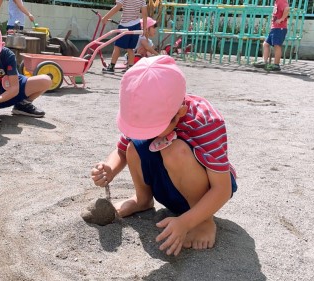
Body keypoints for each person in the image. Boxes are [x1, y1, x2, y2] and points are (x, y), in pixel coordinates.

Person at [91, 55, 238, 256]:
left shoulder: (206, 121)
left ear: (180, 111)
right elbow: (123, 149)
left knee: (175, 150)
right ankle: (142, 200)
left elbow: (222, 188)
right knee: (135, 147)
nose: (147, 134)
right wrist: (109, 168)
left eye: (153, 128)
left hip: (206, 192)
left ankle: (203, 219)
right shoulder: (142, 109)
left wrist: (186, 222)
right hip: (168, 184)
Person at [101, 0, 148, 73]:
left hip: (125, 25)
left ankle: (111, 67)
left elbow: (117, 7)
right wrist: (144, 28)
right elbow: (144, 14)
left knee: (117, 46)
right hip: (136, 25)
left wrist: (105, 17)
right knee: (130, 48)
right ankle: (130, 68)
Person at [253, 0, 290, 71]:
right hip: (275, 28)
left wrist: (281, 19)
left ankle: (276, 65)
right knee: (266, 44)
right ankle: (264, 61)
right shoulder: (277, 2)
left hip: (279, 28)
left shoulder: (281, 1)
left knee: (277, 45)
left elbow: (287, 9)